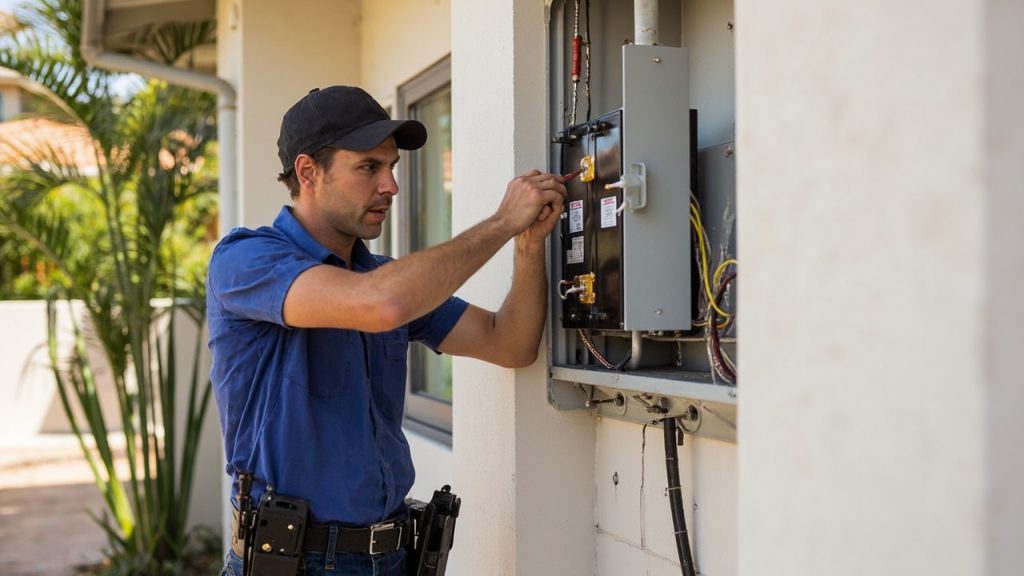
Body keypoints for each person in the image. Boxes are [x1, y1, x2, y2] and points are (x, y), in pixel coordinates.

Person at [207, 85, 566, 576]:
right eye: (369, 168)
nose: (391, 186)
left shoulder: (382, 277)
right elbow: (381, 304)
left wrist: (527, 244)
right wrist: (503, 221)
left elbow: (511, 343)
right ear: (308, 171)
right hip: (295, 564)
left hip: (394, 558)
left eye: (391, 167)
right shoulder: (246, 260)